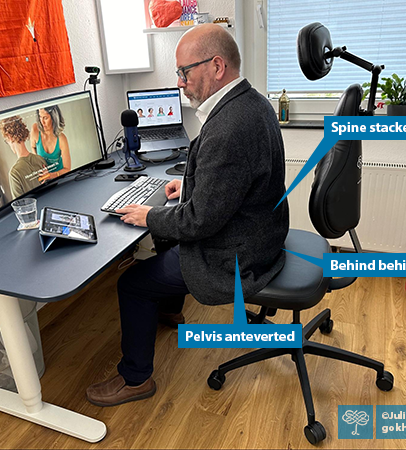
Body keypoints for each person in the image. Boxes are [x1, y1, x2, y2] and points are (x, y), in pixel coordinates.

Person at [86, 24, 289, 407]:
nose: (180, 82)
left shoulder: (228, 127)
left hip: (236, 254)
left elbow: (198, 223)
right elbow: (235, 181)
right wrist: (194, 187)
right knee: (164, 241)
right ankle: (169, 311)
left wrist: (148, 215)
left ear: (216, 66)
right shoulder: (252, 101)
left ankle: (136, 379)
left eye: (184, 72)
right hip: (262, 232)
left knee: (132, 283)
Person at [0, 116, 48, 199]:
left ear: (9, 137)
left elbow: (20, 207)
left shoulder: (14, 173)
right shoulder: (40, 160)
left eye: (6, 141)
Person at [30, 105, 71, 180]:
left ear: (54, 118)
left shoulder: (62, 139)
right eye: (40, 117)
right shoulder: (35, 129)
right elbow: (33, 147)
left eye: (45, 118)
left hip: (59, 175)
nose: (42, 122)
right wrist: (38, 165)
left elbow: (67, 169)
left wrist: (50, 175)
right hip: (43, 176)